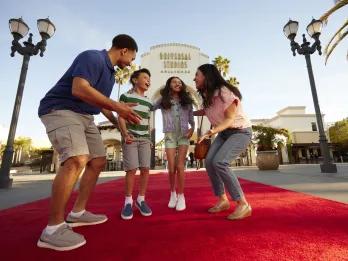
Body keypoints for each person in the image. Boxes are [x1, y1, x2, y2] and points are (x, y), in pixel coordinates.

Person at [37, 34, 141, 251]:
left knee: (98, 160)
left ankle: (78, 213)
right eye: (132, 57)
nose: (132, 62)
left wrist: (120, 125)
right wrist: (118, 106)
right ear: (124, 50)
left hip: (85, 115)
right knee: (77, 159)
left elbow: (101, 104)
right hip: (61, 108)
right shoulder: (93, 57)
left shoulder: (111, 77)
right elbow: (79, 89)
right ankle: (52, 229)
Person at [193, 64, 252, 220]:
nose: (194, 78)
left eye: (197, 75)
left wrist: (211, 131)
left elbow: (230, 119)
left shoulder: (224, 92)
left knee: (220, 162)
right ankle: (222, 200)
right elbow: (206, 111)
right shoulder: (208, 95)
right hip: (224, 132)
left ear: (206, 76)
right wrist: (187, 112)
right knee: (210, 161)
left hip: (240, 131)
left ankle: (243, 203)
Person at [153, 76, 195, 211]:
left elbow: (192, 120)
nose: (177, 83)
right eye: (174, 82)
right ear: (169, 85)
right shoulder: (163, 100)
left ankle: (181, 196)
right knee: (171, 168)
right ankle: (173, 194)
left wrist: (192, 129)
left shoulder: (187, 101)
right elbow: (151, 107)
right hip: (170, 136)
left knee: (180, 166)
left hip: (183, 136)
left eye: (179, 82)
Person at [118, 68, 153, 220]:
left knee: (145, 169)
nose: (148, 80)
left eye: (149, 79)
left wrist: (150, 138)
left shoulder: (149, 101)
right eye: (145, 77)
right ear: (134, 80)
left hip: (145, 138)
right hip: (130, 138)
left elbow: (148, 121)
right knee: (131, 169)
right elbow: (120, 117)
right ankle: (127, 202)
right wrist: (125, 134)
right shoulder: (125, 96)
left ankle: (141, 199)